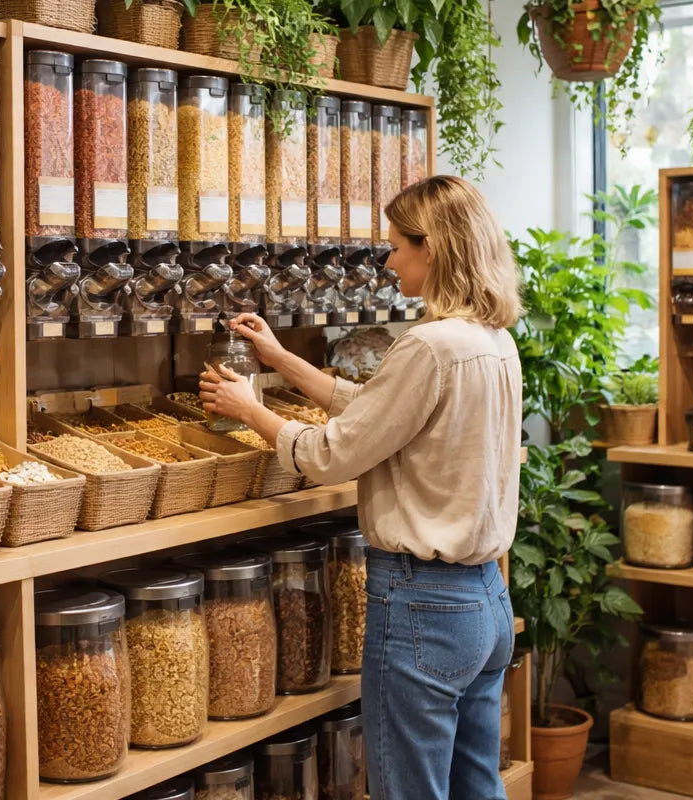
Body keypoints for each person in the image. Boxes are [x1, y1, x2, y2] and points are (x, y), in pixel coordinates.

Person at [199, 174, 523, 800]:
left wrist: (252, 411)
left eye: (399, 244)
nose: (389, 258)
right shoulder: (493, 342)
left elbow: (334, 451)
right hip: (485, 601)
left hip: (423, 604)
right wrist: (281, 360)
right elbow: (382, 410)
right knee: (477, 786)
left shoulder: (427, 345)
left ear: (435, 249)